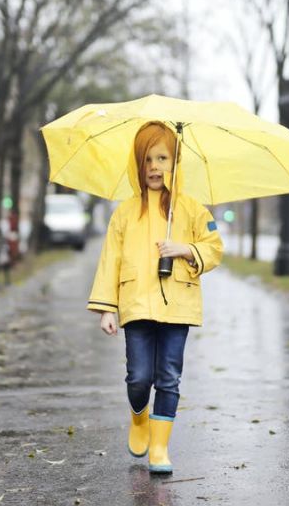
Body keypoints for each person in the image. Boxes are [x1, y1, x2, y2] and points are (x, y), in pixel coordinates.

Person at [87, 121, 223, 474]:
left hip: (178, 305)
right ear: (138, 165)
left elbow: (214, 247)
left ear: (175, 164)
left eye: (162, 158)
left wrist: (186, 248)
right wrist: (107, 308)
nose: (154, 167)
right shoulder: (126, 212)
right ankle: (138, 418)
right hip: (136, 305)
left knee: (168, 377)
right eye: (147, 160)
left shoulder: (192, 209)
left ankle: (159, 448)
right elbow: (110, 260)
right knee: (139, 377)